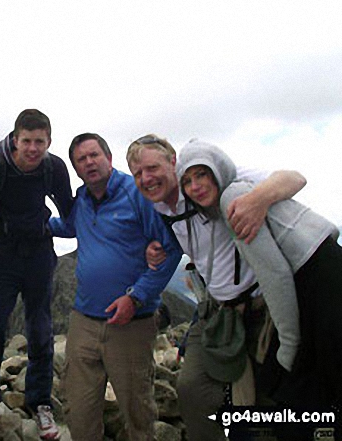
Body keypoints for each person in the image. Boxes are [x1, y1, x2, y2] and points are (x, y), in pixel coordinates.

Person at [126, 135, 307, 441]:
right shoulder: (160, 210)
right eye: (138, 173)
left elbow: (294, 178)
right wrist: (153, 249)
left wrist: (258, 200)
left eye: (152, 167)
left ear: (173, 162)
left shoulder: (206, 183)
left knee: (270, 392)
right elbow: (175, 241)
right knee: (192, 388)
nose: (146, 178)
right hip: (216, 308)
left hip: (261, 304)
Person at [177, 140, 341, 410]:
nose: (195, 186)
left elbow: (275, 274)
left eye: (202, 174)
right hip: (324, 270)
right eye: (187, 181)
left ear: (217, 170)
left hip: (320, 288)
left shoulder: (235, 201)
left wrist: (288, 346)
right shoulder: (243, 192)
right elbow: (326, 231)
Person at [49, 133, 182, 441]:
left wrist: (136, 298)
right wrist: (31, 224)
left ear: (109, 158)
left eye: (94, 155)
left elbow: (170, 249)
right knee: (79, 408)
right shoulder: (81, 199)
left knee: (137, 409)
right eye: (81, 160)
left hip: (131, 322)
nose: (89, 163)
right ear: (76, 170)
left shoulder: (137, 194)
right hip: (83, 319)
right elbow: (68, 227)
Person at [0, 109, 74, 440]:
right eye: (27, 141)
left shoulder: (53, 167)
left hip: (39, 252)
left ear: (48, 141)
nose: (33, 148)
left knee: (40, 327)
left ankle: (40, 402)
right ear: (16, 139)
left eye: (39, 142)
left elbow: (71, 212)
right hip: (2, 252)